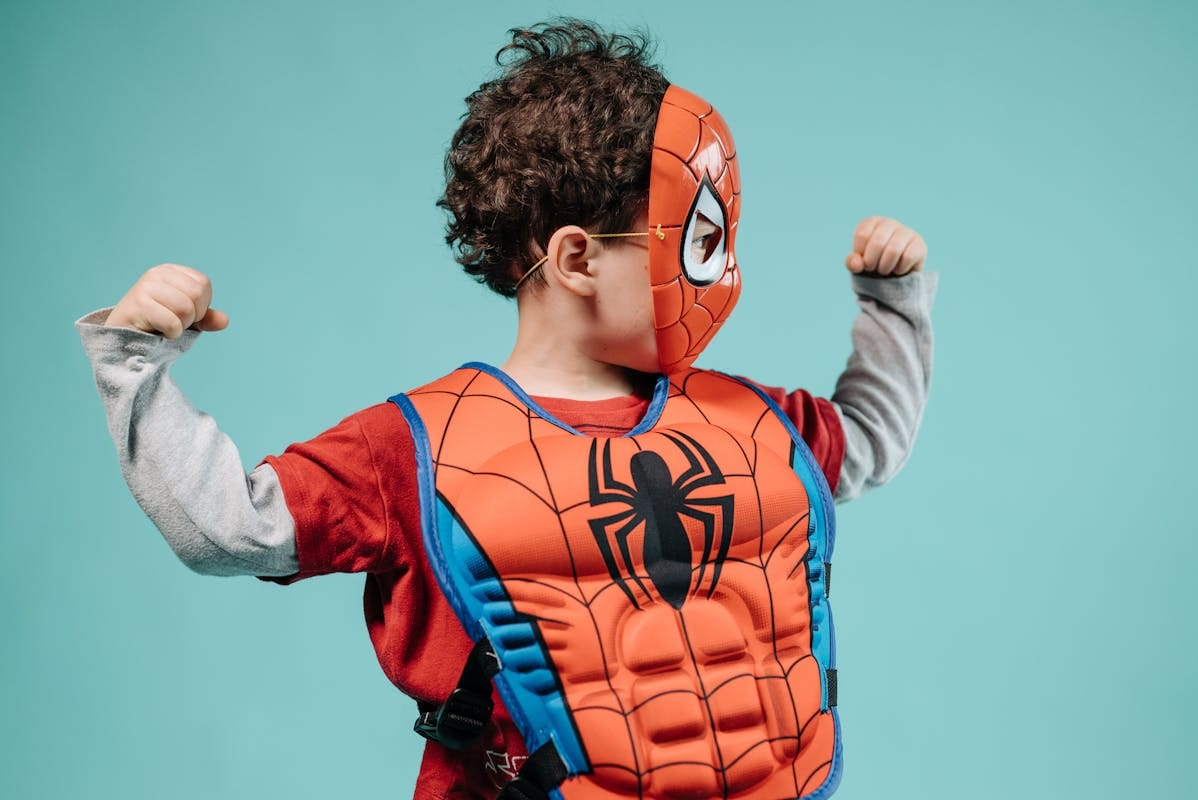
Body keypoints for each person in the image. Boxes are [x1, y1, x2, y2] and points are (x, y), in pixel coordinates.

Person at [77, 19, 937, 800]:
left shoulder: (751, 421)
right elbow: (227, 527)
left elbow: (871, 440)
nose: (723, 275)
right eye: (697, 243)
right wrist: (135, 364)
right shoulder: (412, 452)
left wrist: (894, 306)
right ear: (576, 258)